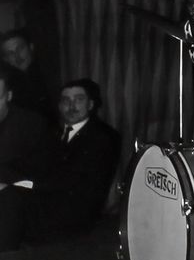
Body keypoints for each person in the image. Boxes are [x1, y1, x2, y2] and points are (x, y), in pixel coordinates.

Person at [0, 77, 121, 249]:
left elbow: (71, 180)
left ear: (91, 105)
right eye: (66, 101)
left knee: (8, 199)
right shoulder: (56, 132)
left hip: (74, 212)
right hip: (51, 199)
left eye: (78, 100)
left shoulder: (103, 137)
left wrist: (21, 184)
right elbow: (31, 164)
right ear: (59, 106)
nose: (71, 106)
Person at [0, 63, 54, 251]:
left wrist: (7, 184)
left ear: (9, 96)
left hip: (25, 195)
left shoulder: (31, 124)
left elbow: (39, 175)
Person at [0, 28, 54, 120]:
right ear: (5, 59)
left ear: (31, 47)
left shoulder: (51, 73)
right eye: (10, 53)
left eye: (20, 48)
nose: (17, 56)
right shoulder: (7, 85)